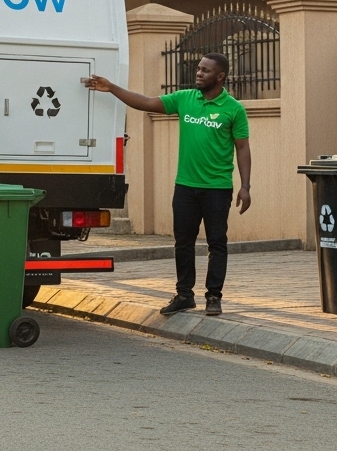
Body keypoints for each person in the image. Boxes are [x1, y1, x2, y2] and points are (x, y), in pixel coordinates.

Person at [82, 53, 251, 316]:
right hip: (185, 186)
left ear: (220, 76)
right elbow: (147, 102)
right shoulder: (185, 99)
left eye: (205, 70)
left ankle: (214, 296)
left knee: (217, 243)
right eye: (198, 68)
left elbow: (242, 148)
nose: (198, 73)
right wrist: (112, 88)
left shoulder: (233, 109)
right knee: (183, 242)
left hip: (217, 188)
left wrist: (245, 186)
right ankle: (184, 295)